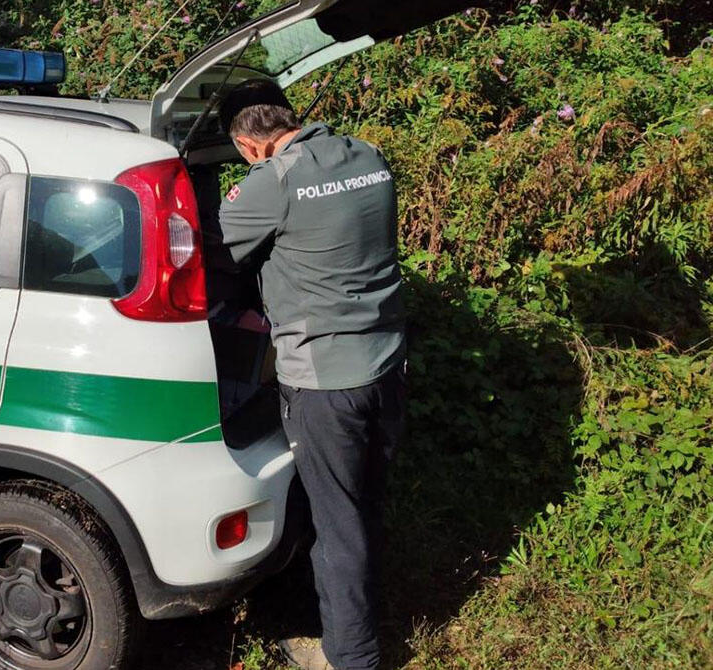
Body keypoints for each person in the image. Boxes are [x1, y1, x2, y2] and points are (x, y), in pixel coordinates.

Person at [209, 79, 407, 670]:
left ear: (247, 144)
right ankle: (366, 619)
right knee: (365, 504)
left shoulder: (275, 181)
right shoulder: (368, 156)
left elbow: (209, 252)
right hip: (389, 364)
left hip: (326, 383)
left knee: (336, 523)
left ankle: (351, 656)